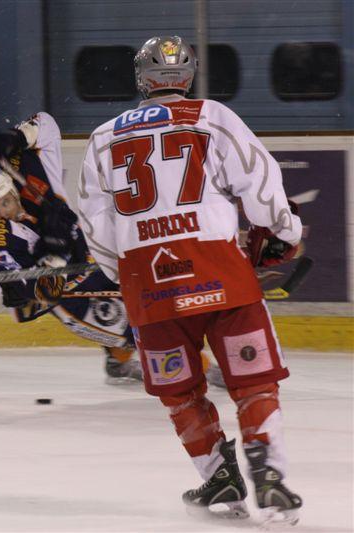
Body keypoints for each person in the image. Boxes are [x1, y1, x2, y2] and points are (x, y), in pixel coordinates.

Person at [79, 36, 303, 524]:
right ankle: (268, 475)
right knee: (254, 382)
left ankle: (219, 477)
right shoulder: (212, 116)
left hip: (148, 283)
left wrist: (122, 274)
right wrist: (285, 232)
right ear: (188, 75)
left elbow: (96, 225)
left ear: (141, 77)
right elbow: (260, 183)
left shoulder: (102, 137)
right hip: (220, 271)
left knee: (180, 393)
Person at [0, 113, 143, 384]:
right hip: (65, 291)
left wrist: (15, 137)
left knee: (143, 298)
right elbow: (42, 291)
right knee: (126, 329)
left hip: (90, 252)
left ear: (13, 193)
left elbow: (47, 124)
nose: (2, 212)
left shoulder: (27, 166)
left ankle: (120, 357)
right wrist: (52, 251)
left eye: (5, 203)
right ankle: (125, 357)